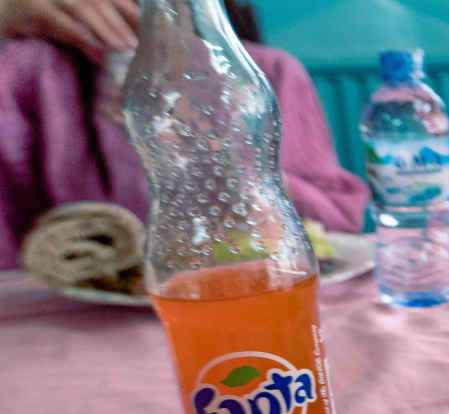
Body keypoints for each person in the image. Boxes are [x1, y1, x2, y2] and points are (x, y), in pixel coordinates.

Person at [0, 0, 369, 268]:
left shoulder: (268, 73)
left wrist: (229, 160)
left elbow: (337, 225)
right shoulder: (26, 73)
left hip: (254, 293)